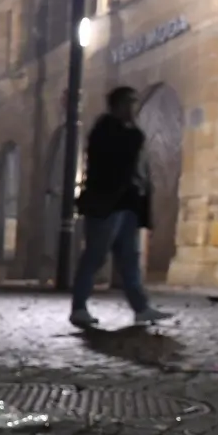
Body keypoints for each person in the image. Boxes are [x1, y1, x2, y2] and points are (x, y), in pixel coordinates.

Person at [70, 86, 171, 329]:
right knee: (95, 255)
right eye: (128, 103)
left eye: (134, 104)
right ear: (117, 105)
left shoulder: (128, 131)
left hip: (127, 205)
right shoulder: (106, 130)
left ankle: (141, 308)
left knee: (129, 258)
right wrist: (134, 134)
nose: (132, 109)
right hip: (107, 204)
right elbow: (115, 162)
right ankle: (79, 308)